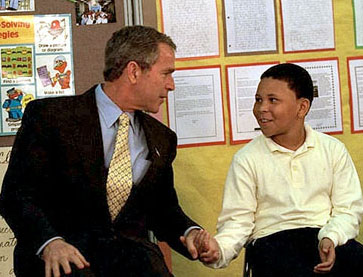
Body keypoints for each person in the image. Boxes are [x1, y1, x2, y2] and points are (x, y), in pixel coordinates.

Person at [0, 25, 205, 277]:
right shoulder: (50, 118)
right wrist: (49, 243)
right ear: (133, 71)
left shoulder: (162, 139)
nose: (171, 85)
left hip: (134, 266)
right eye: (166, 73)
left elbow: (163, 210)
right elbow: (16, 195)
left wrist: (190, 233)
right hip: (62, 263)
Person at [195, 63, 363, 276]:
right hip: (273, 245)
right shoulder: (246, 159)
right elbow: (237, 222)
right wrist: (218, 250)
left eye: (272, 100)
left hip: (326, 239)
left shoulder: (333, 150)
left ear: (302, 108)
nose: (261, 108)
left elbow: (348, 210)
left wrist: (330, 236)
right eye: (258, 100)